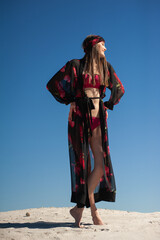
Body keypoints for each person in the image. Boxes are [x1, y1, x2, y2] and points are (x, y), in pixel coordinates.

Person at [46, 35, 125, 227]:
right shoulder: (75, 65)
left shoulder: (106, 67)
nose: (106, 49)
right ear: (93, 46)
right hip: (80, 114)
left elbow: (119, 88)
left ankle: (79, 208)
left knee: (100, 162)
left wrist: (107, 105)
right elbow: (53, 85)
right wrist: (71, 100)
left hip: (98, 115)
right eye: (102, 45)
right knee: (83, 163)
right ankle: (94, 213)